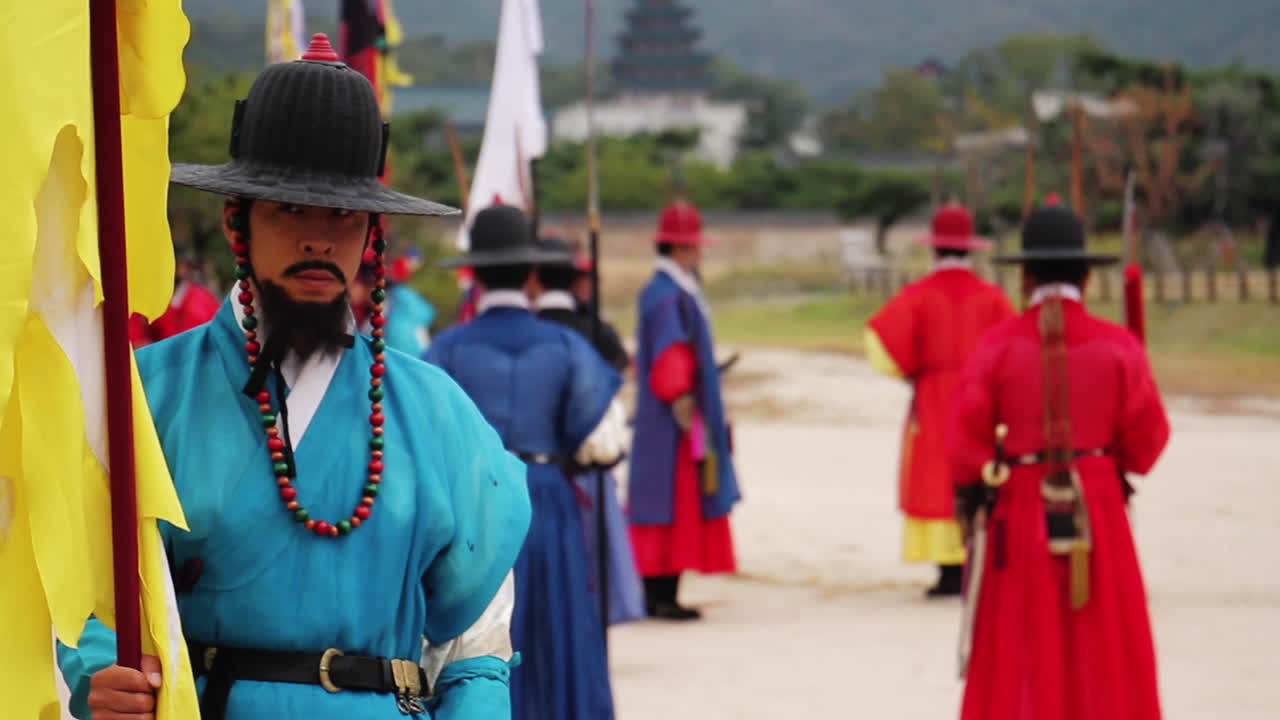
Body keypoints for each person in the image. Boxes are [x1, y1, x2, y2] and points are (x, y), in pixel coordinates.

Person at [57, 35, 531, 720]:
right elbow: (85, 592)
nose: (317, 238)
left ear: (371, 234)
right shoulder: (144, 394)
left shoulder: (437, 412)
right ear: (236, 223)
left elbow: (474, 644)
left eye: (342, 215)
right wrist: (100, 674)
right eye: (288, 209)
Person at [950, 203, 1170, 720]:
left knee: (1020, 644)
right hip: (1099, 505)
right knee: (1104, 642)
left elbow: (964, 447)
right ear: (1087, 278)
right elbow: (1146, 445)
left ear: (1025, 277)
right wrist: (1103, 458)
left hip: (1021, 503)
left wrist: (985, 482)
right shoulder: (1119, 346)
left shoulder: (995, 346)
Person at [426, 206, 623, 720]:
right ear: (532, 273)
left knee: (477, 634)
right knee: (555, 627)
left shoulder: (444, 350)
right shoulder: (567, 345)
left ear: (473, 273)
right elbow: (600, 445)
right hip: (547, 496)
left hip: (473, 505)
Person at [864, 203, 1015, 597]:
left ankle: (947, 570)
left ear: (934, 249)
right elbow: (1014, 349)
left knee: (934, 472)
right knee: (978, 466)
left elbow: (879, 340)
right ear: (970, 249)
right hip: (980, 397)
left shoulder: (916, 295)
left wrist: (909, 372)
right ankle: (974, 558)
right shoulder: (992, 297)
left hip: (934, 395)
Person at [629, 200, 740, 620]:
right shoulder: (669, 296)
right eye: (695, 247)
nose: (700, 255)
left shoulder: (667, 291)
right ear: (680, 249)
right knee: (670, 503)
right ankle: (660, 595)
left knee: (664, 501)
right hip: (674, 420)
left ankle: (659, 593)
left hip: (668, 417)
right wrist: (685, 401)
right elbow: (671, 358)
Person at [534, 235, 644, 625]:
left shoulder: (532, 330)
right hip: (588, 466)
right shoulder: (597, 331)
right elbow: (616, 378)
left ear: (535, 278)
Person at [127, 250, 222, 347]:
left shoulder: (203, 297)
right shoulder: (146, 299)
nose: (184, 269)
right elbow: (137, 340)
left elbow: (219, 333)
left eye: (186, 265)